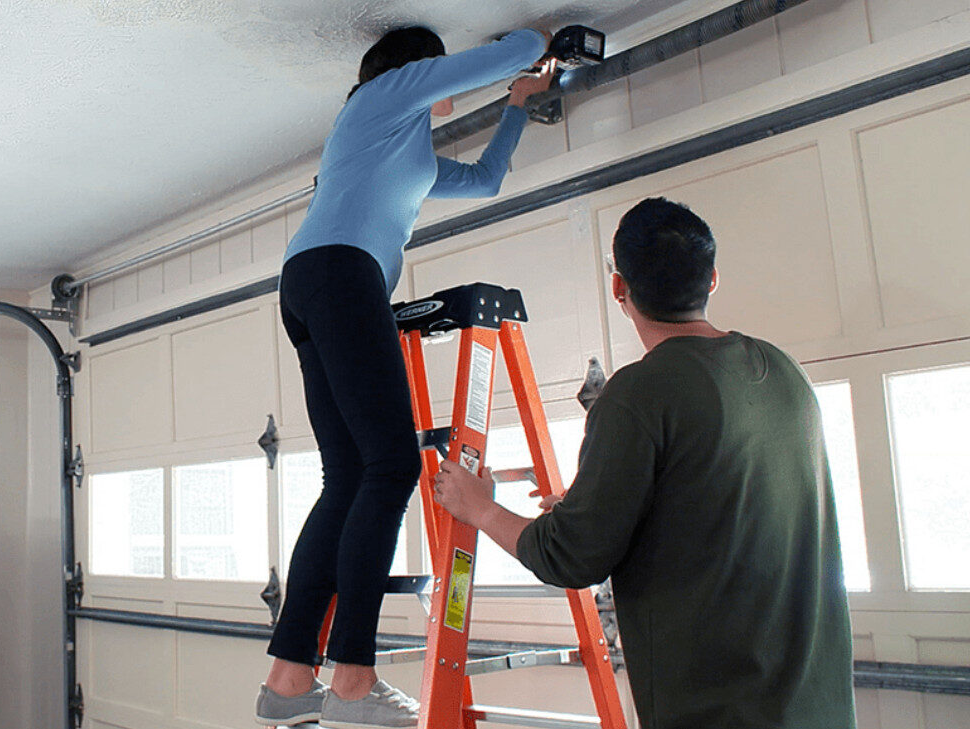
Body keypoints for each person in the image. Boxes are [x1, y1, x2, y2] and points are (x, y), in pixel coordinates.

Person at [432, 198, 856, 729]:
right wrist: (595, 507)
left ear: (619, 288)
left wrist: (479, 508)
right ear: (712, 279)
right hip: (820, 709)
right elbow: (720, 505)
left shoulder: (637, 393)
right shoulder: (783, 370)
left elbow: (569, 557)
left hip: (720, 714)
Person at [255, 24, 556, 729]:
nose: (441, 81)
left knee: (348, 477)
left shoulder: (408, 152)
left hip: (313, 282)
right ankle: (353, 679)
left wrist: (518, 104)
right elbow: (512, 49)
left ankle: (289, 678)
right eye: (435, 69)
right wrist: (539, 44)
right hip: (341, 274)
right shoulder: (378, 99)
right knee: (390, 467)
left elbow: (483, 180)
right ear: (412, 71)